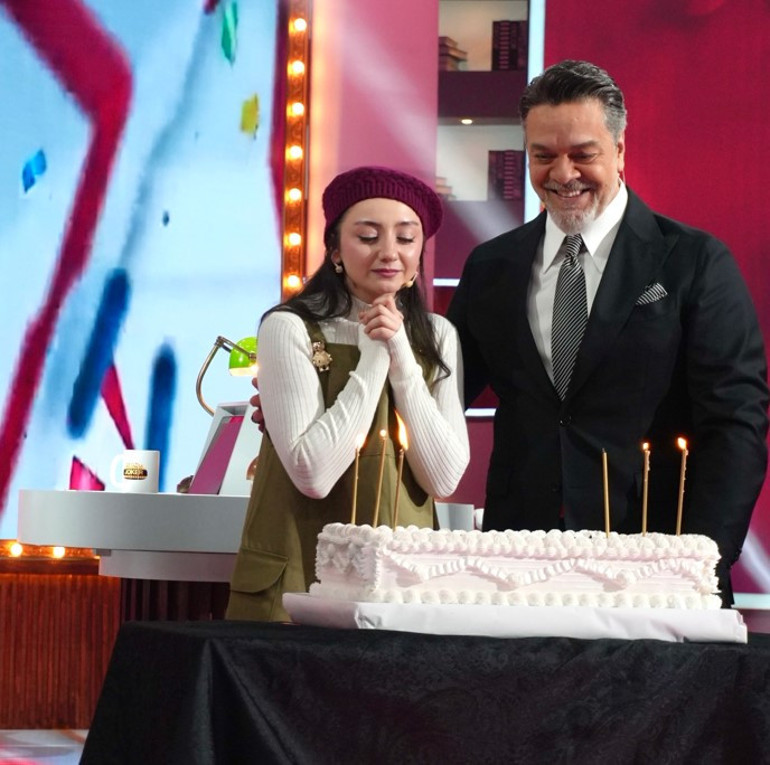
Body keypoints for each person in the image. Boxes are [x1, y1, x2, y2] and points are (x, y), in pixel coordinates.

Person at [447, 59, 769, 606]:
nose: (562, 173)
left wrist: (701, 562)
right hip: (517, 572)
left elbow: (735, 422)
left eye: (583, 154)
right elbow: (438, 393)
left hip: (657, 568)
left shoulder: (693, 261)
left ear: (620, 150)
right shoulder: (491, 266)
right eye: (543, 156)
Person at [226, 166, 470, 621]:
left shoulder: (438, 334)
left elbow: (443, 478)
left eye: (406, 237)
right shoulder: (288, 327)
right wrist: (376, 354)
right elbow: (313, 474)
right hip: (297, 572)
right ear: (335, 249)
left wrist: (402, 357)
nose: (389, 252)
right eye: (368, 236)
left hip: (399, 580)